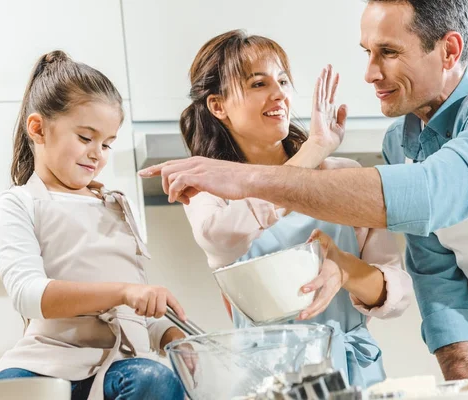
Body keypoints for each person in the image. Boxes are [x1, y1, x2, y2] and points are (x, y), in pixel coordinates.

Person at [140, 0, 468, 381]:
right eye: (367, 51)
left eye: (388, 52)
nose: (368, 73)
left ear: (449, 51)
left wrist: (249, 178)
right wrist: (462, 383)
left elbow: (431, 194)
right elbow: (437, 277)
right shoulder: (401, 145)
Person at [176, 29, 412, 388]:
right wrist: (313, 150)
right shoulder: (208, 190)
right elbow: (223, 238)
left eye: (283, 80)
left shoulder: (343, 176)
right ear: (218, 106)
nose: (279, 94)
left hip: (354, 374)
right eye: (258, 84)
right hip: (266, 380)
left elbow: (396, 295)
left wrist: (345, 270)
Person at [0, 51, 187, 400]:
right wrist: (123, 291)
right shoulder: (19, 204)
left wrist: (182, 340)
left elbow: (136, 315)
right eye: (85, 137)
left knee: (155, 380)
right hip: (45, 365)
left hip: (118, 369)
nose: (98, 153)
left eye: (107, 143)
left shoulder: (120, 206)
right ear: (38, 129)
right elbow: (29, 296)